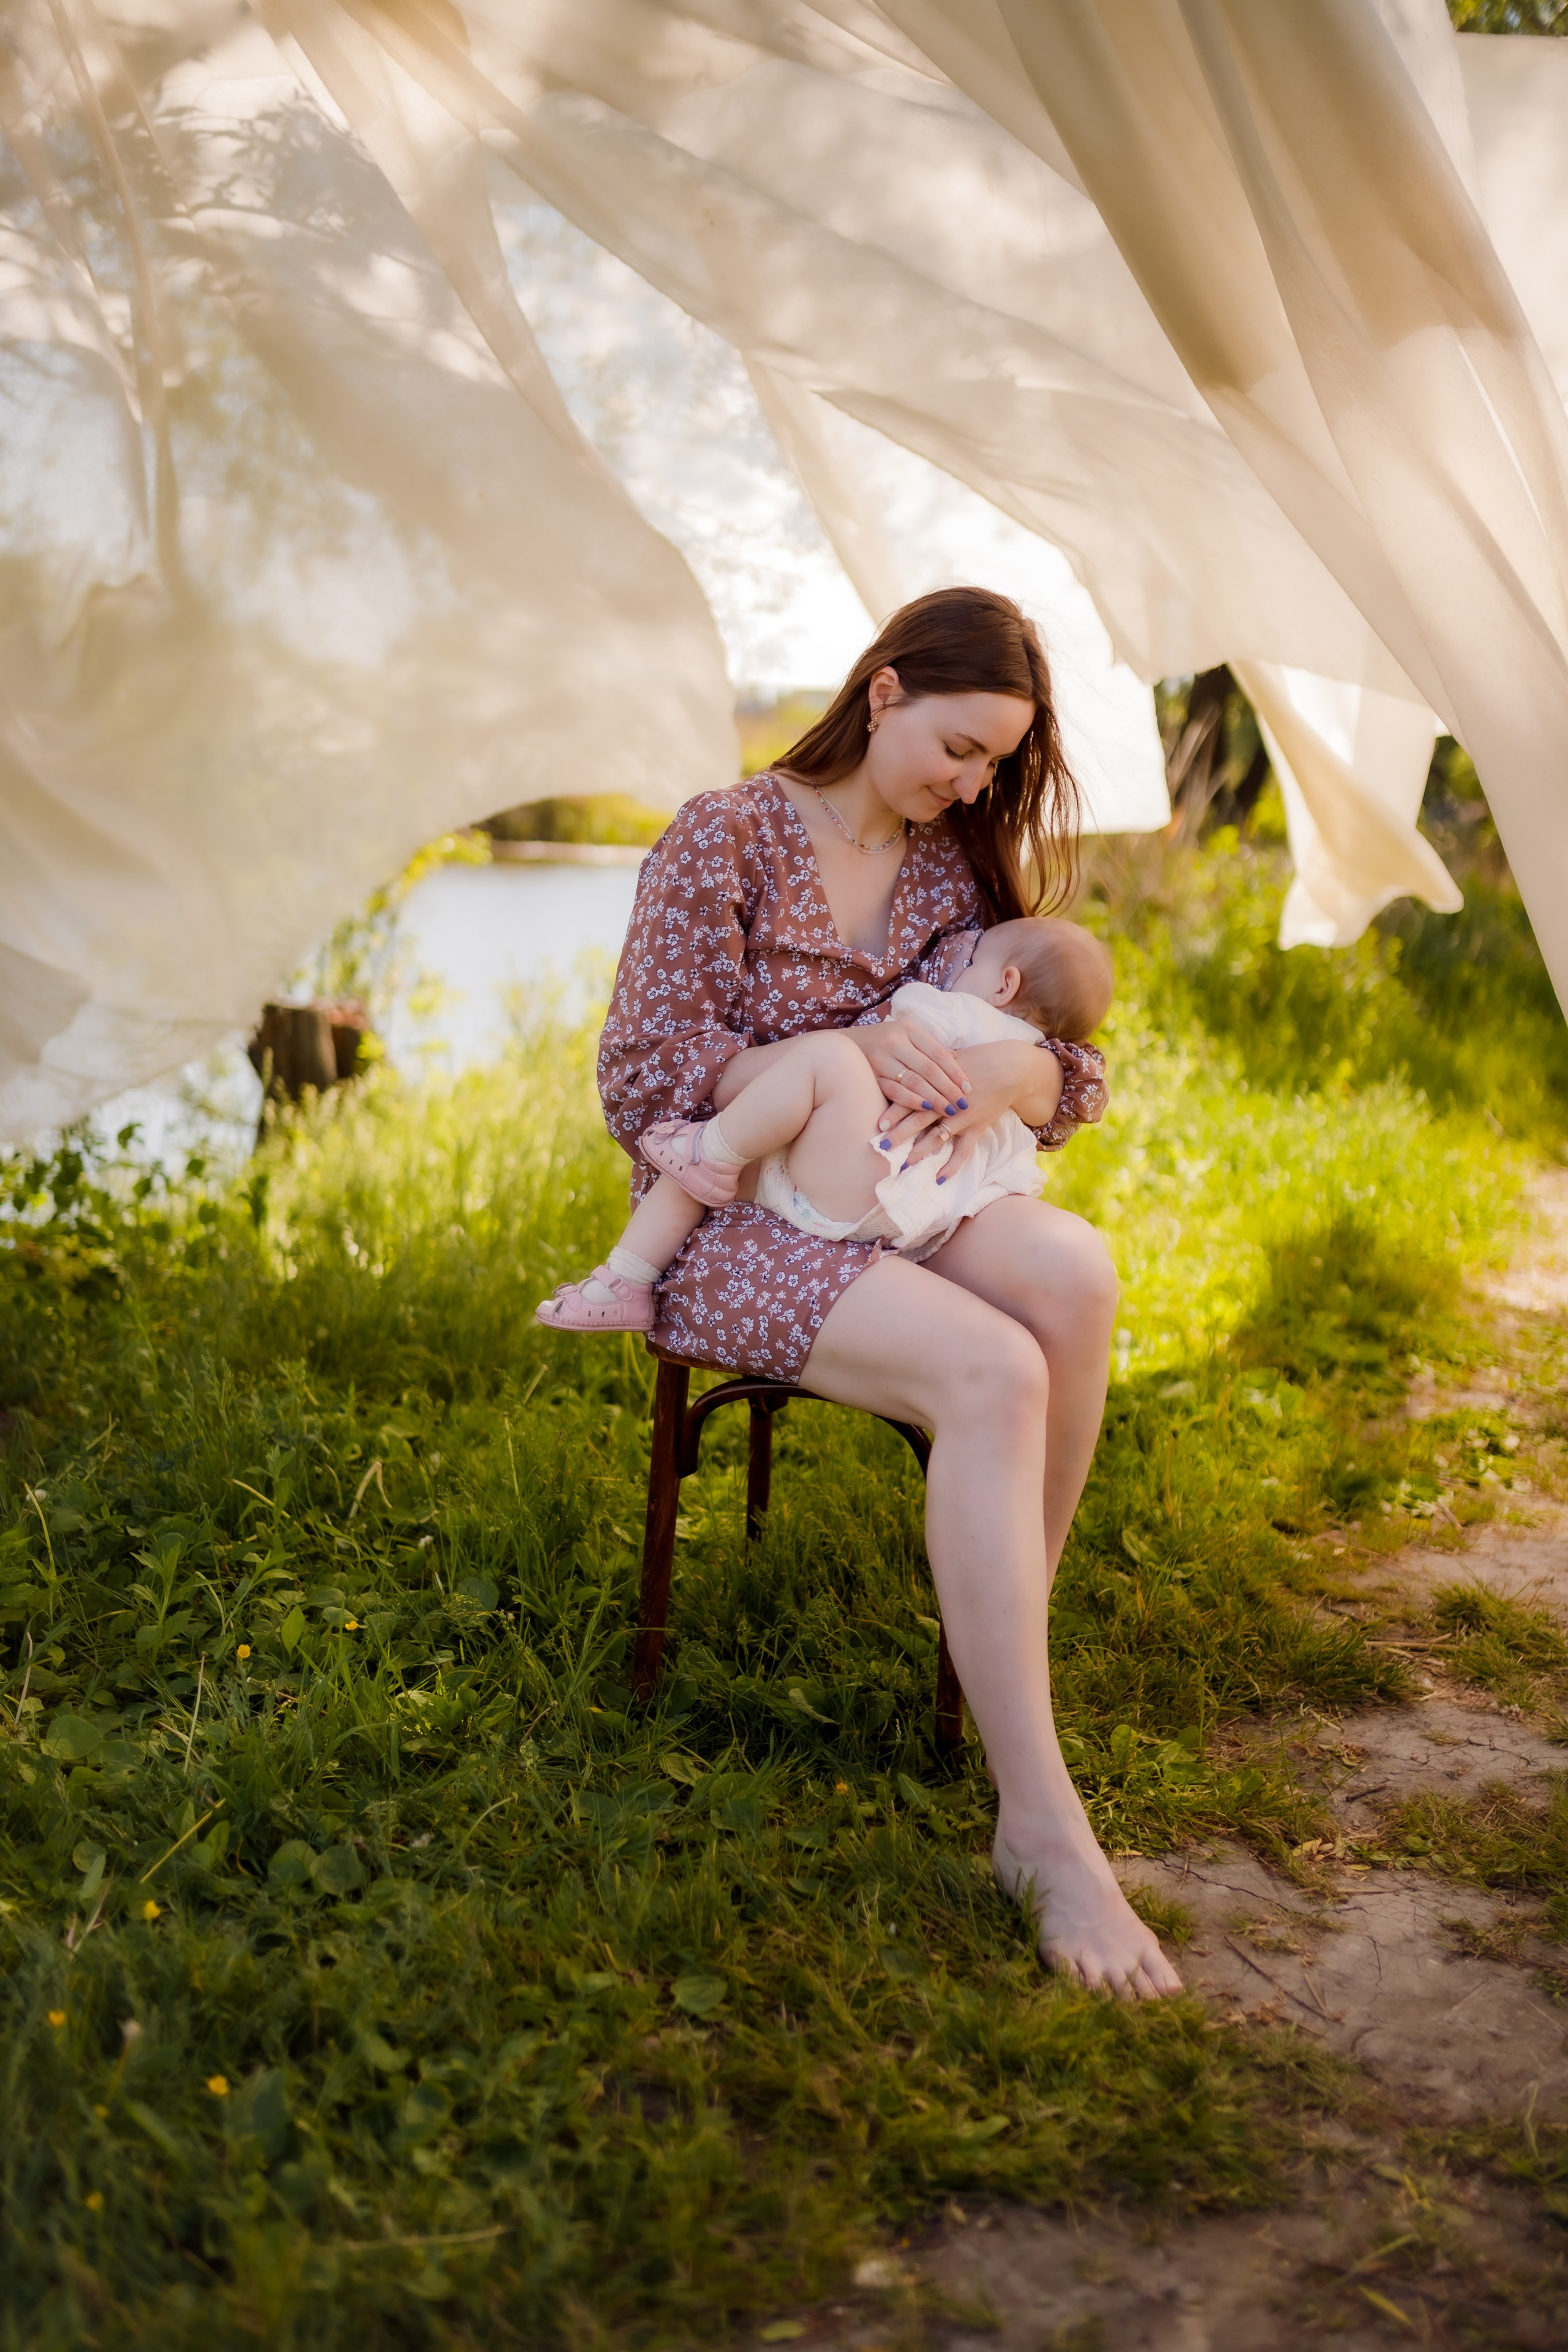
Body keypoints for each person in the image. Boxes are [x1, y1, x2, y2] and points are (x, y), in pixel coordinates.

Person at [590, 586, 1182, 1999]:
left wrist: (1013, 1072)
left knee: (1072, 1272)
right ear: (883, 691)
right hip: (735, 1218)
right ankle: (1039, 1825)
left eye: (991, 765)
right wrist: (835, 1066)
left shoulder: (949, 870)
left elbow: (1070, 1070)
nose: (968, 783)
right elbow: (645, 1075)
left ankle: (1000, 1692)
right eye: (958, 745)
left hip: (907, 1200)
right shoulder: (720, 836)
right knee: (993, 1374)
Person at [535, 916, 1113, 1327]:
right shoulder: (1033, 1066)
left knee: (819, 1062)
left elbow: (891, 1036)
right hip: (918, 1219)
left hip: (866, 1173)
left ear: (1003, 983)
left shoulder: (960, 1013)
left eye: (968, 960)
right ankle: (632, 1272)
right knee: (721, 1162)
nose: (954, 970)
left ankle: (625, 1276)